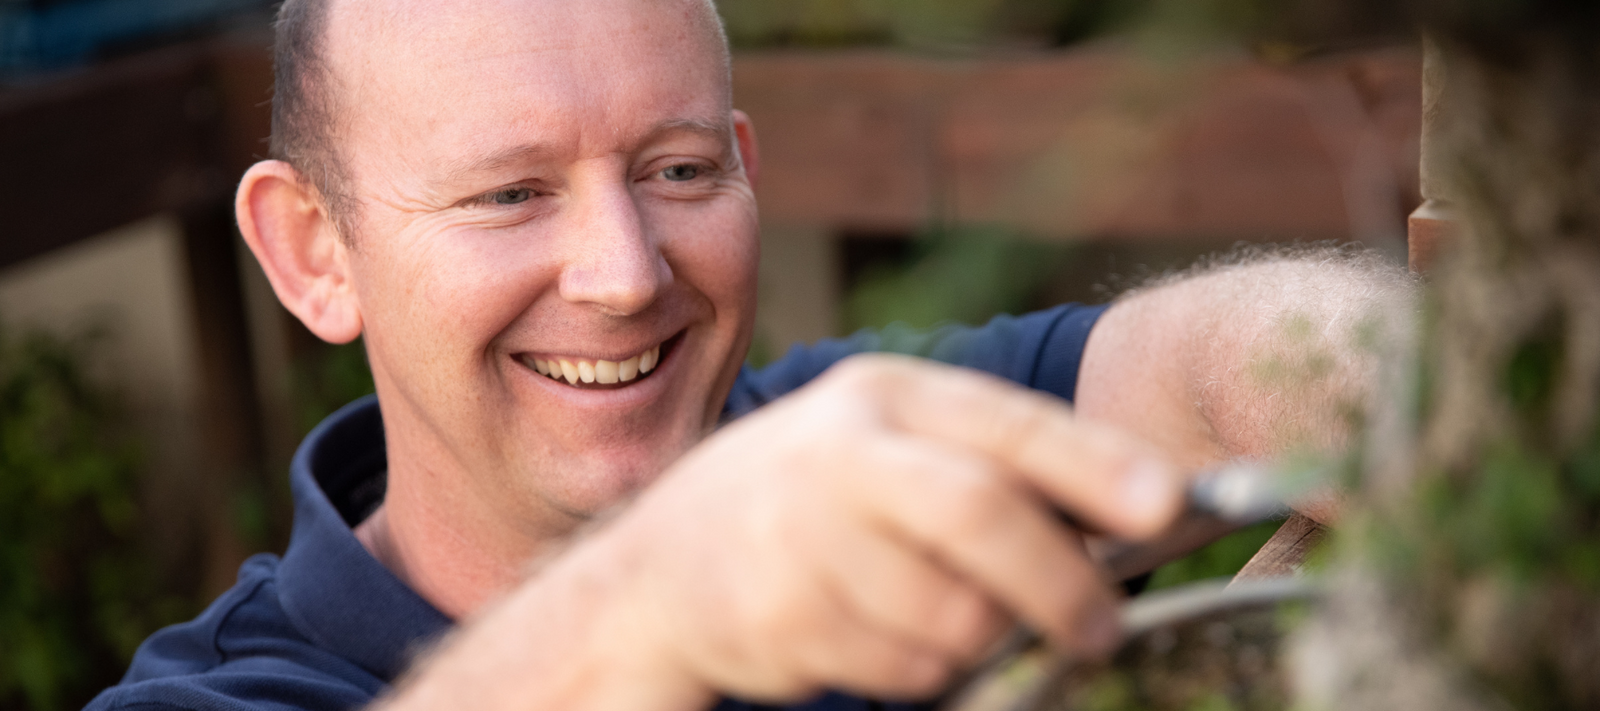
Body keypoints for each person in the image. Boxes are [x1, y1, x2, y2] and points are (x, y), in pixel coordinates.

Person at [87, 0, 1410, 709]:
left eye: (676, 169)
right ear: (314, 249)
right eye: (511, 194)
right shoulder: (223, 694)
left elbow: (1185, 374)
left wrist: (1385, 374)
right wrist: (648, 609)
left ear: (747, 176)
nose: (624, 273)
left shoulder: (819, 455)